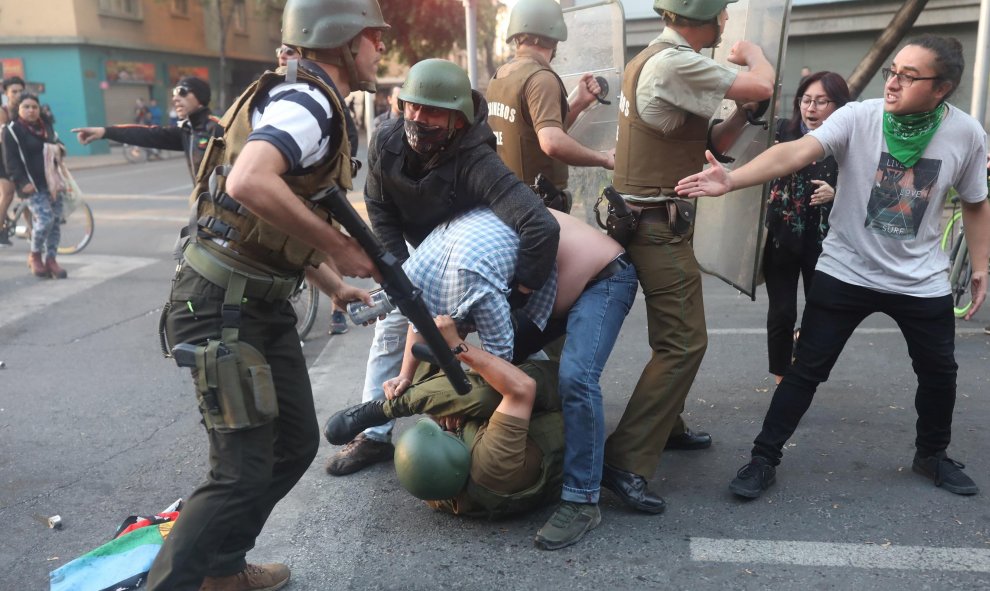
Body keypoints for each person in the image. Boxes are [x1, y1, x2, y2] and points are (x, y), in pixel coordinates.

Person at [676, 35, 989, 500]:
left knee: (940, 373)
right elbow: (796, 152)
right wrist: (733, 178)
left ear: (941, 89)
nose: (894, 82)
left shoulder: (966, 134)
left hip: (920, 278)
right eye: (892, 71)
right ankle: (763, 458)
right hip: (847, 270)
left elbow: (975, 201)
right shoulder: (860, 116)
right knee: (805, 371)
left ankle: (932, 455)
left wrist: (980, 265)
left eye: (909, 76)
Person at [146, 0, 387, 588]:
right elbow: (249, 181)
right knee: (238, 472)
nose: (381, 48)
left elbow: (269, 219)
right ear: (345, 38)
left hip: (256, 301)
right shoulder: (309, 102)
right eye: (375, 37)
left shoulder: (302, 93)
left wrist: (333, 284)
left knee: (296, 442)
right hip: (221, 306)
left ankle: (223, 570)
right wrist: (339, 247)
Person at [327, 207, 637, 549]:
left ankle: (582, 500)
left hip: (603, 277)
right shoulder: (426, 276)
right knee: (508, 379)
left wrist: (451, 353)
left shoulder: (469, 284)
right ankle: (590, 474)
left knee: (576, 379)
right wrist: (416, 370)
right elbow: (429, 330)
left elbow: (493, 371)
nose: (442, 427)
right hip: (557, 281)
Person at [325, 58, 559, 477]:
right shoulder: (386, 139)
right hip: (421, 254)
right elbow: (378, 206)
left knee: (504, 348)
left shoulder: (477, 159)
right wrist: (398, 271)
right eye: (412, 106)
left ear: (458, 118)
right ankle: (375, 436)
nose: (418, 117)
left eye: (432, 111)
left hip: (472, 262)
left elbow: (539, 225)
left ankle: (507, 417)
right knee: (392, 330)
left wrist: (519, 293)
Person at [601, 0, 775, 514]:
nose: (726, 24)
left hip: (646, 220)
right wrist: (754, 52)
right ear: (703, 17)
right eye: (722, 15)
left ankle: (666, 424)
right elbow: (762, 83)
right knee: (684, 343)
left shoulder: (659, 58)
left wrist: (742, 114)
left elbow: (704, 143)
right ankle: (626, 460)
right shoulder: (677, 61)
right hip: (655, 227)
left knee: (670, 335)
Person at [334, 315, 565, 519]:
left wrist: (447, 412)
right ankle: (391, 408)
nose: (444, 429)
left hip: (498, 428)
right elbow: (522, 389)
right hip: (553, 402)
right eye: (444, 435)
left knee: (439, 391)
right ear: (454, 460)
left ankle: (405, 393)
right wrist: (457, 344)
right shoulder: (492, 468)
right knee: (483, 393)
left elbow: (444, 413)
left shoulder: (438, 490)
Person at [763, 71, 850, 385]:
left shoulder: (848, 140)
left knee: (820, 311)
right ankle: (781, 375)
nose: (811, 108)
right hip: (781, 237)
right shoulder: (781, 132)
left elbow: (871, 187)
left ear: (838, 106)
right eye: (806, 100)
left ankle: (803, 345)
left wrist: (837, 192)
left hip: (825, 243)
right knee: (782, 312)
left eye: (821, 102)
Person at [486, 0, 612, 199]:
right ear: (553, 38)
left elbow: (537, 131)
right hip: (538, 205)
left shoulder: (499, 76)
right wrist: (604, 158)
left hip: (507, 197)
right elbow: (551, 142)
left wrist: (579, 102)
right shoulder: (541, 78)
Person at [73, 76, 220, 183]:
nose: (175, 99)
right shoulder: (188, 132)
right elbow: (146, 134)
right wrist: (104, 132)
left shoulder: (219, 129)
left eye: (182, 92)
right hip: (206, 214)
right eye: (174, 94)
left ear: (200, 97)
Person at [2, 93, 69, 279]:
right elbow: (11, 162)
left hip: (52, 182)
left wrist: (60, 148)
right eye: (26, 107)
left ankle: (52, 260)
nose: (31, 110)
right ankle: (35, 255)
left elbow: (59, 143)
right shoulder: (12, 130)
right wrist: (22, 183)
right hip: (31, 186)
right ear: (19, 110)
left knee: (55, 222)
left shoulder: (46, 127)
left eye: (34, 107)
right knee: (45, 219)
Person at [0, 76, 26, 247]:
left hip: (22, 157)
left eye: (20, 91)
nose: (17, 94)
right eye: (14, 91)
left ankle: (32, 232)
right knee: (8, 194)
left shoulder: (27, 109)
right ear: (6, 93)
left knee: (28, 194)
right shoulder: (3, 112)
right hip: (3, 157)